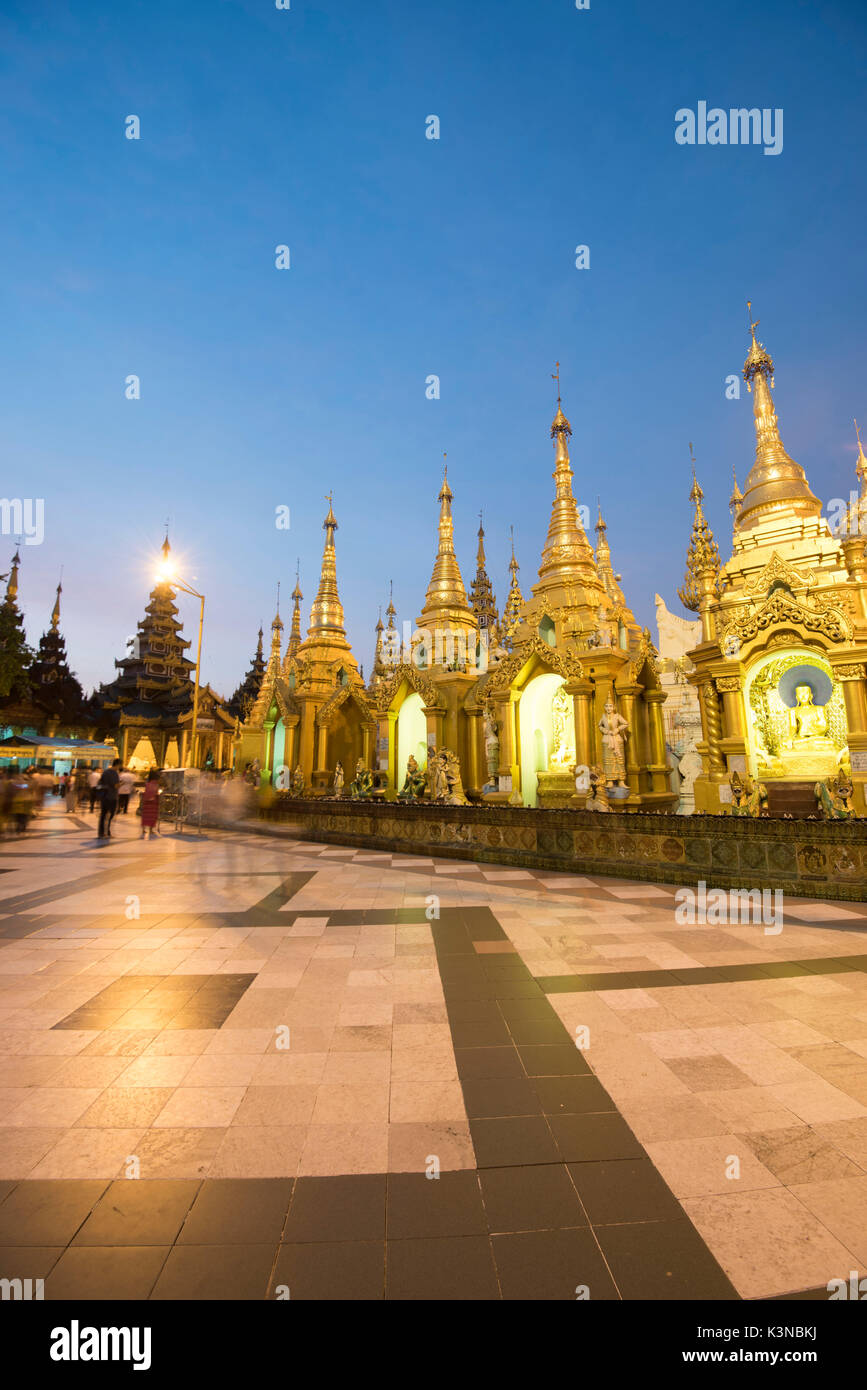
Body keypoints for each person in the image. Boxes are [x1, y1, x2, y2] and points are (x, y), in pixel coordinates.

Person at [97, 759, 121, 839]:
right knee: (110, 815)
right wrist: (122, 783)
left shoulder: (106, 771)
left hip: (104, 796)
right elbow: (116, 786)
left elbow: (101, 782)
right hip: (111, 796)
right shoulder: (114, 773)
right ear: (117, 765)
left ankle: (102, 833)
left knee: (103, 815)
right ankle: (106, 832)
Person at [140, 769, 160, 838]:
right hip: (153, 803)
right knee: (152, 816)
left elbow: (146, 792)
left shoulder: (147, 783)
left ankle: (143, 829)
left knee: (145, 815)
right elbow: (156, 792)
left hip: (146, 802)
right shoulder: (156, 784)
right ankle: (151, 829)